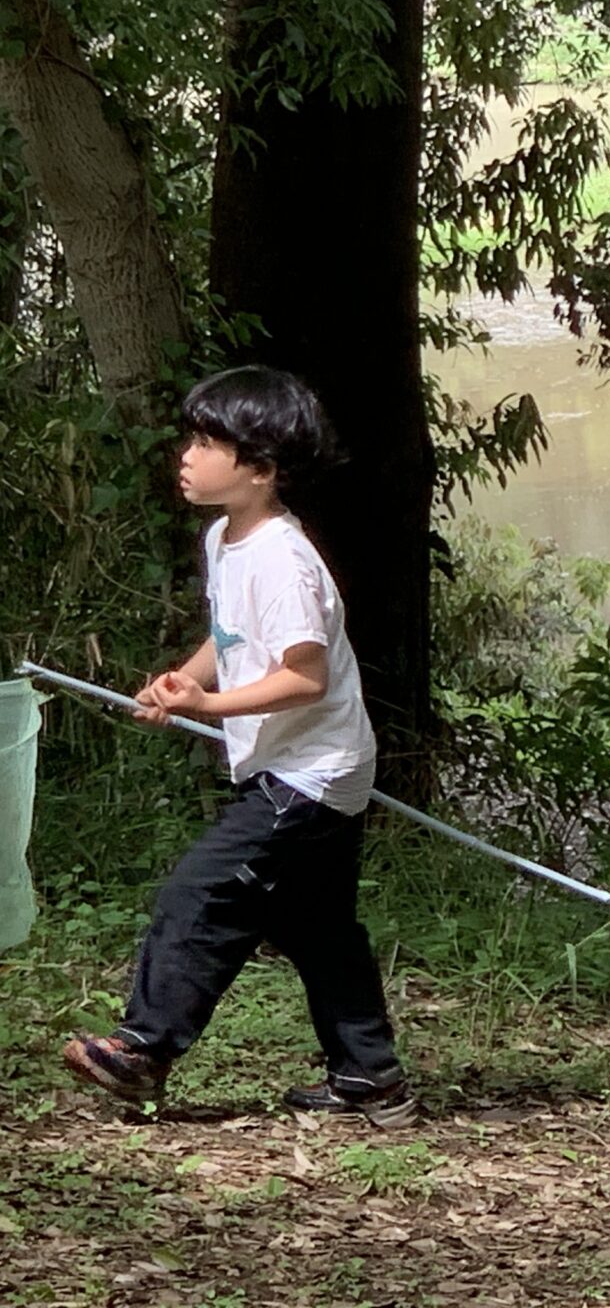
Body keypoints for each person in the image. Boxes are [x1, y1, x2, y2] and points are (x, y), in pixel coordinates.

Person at [60, 367, 414, 1124]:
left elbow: (305, 677)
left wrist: (211, 706)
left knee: (202, 891)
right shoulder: (227, 536)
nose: (186, 454)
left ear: (260, 467)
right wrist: (179, 682)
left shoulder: (284, 559)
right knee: (315, 926)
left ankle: (143, 1050)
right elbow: (230, 637)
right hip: (305, 763)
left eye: (207, 442)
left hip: (311, 771)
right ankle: (371, 1077)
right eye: (191, 437)